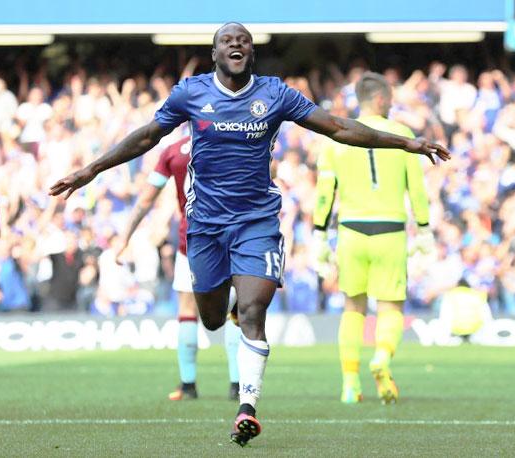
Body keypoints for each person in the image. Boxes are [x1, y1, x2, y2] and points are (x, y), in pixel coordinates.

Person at [49, 23, 450, 446]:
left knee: (255, 313)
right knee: (211, 317)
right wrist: (91, 169)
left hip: (256, 221)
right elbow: (148, 136)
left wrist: (405, 143)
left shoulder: (275, 94)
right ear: (215, 54)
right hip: (204, 226)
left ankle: (247, 408)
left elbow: (337, 127)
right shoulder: (191, 93)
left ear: (251, 54)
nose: (236, 44)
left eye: (244, 41)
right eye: (227, 41)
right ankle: (234, 306)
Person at [313, 72, 436, 404]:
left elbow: (326, 192)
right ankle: (381, 357)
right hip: (390, 232)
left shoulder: (336, 137)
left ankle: (350, 383)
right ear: (381, 99)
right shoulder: (403, 134)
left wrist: (318, 236)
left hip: (351, 231)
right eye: (392, 97)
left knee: (353, 307)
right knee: (390, 307)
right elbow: (417, 190)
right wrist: (424, 230)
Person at [116, 136, 241, 401]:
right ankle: (237, 384)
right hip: (231, 237)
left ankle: (188, 385)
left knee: (187, 309)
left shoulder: (173, 151)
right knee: (235, 309)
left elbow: (147, 199)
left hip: (192, 240)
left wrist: (125, 237)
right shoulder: (230, 140)